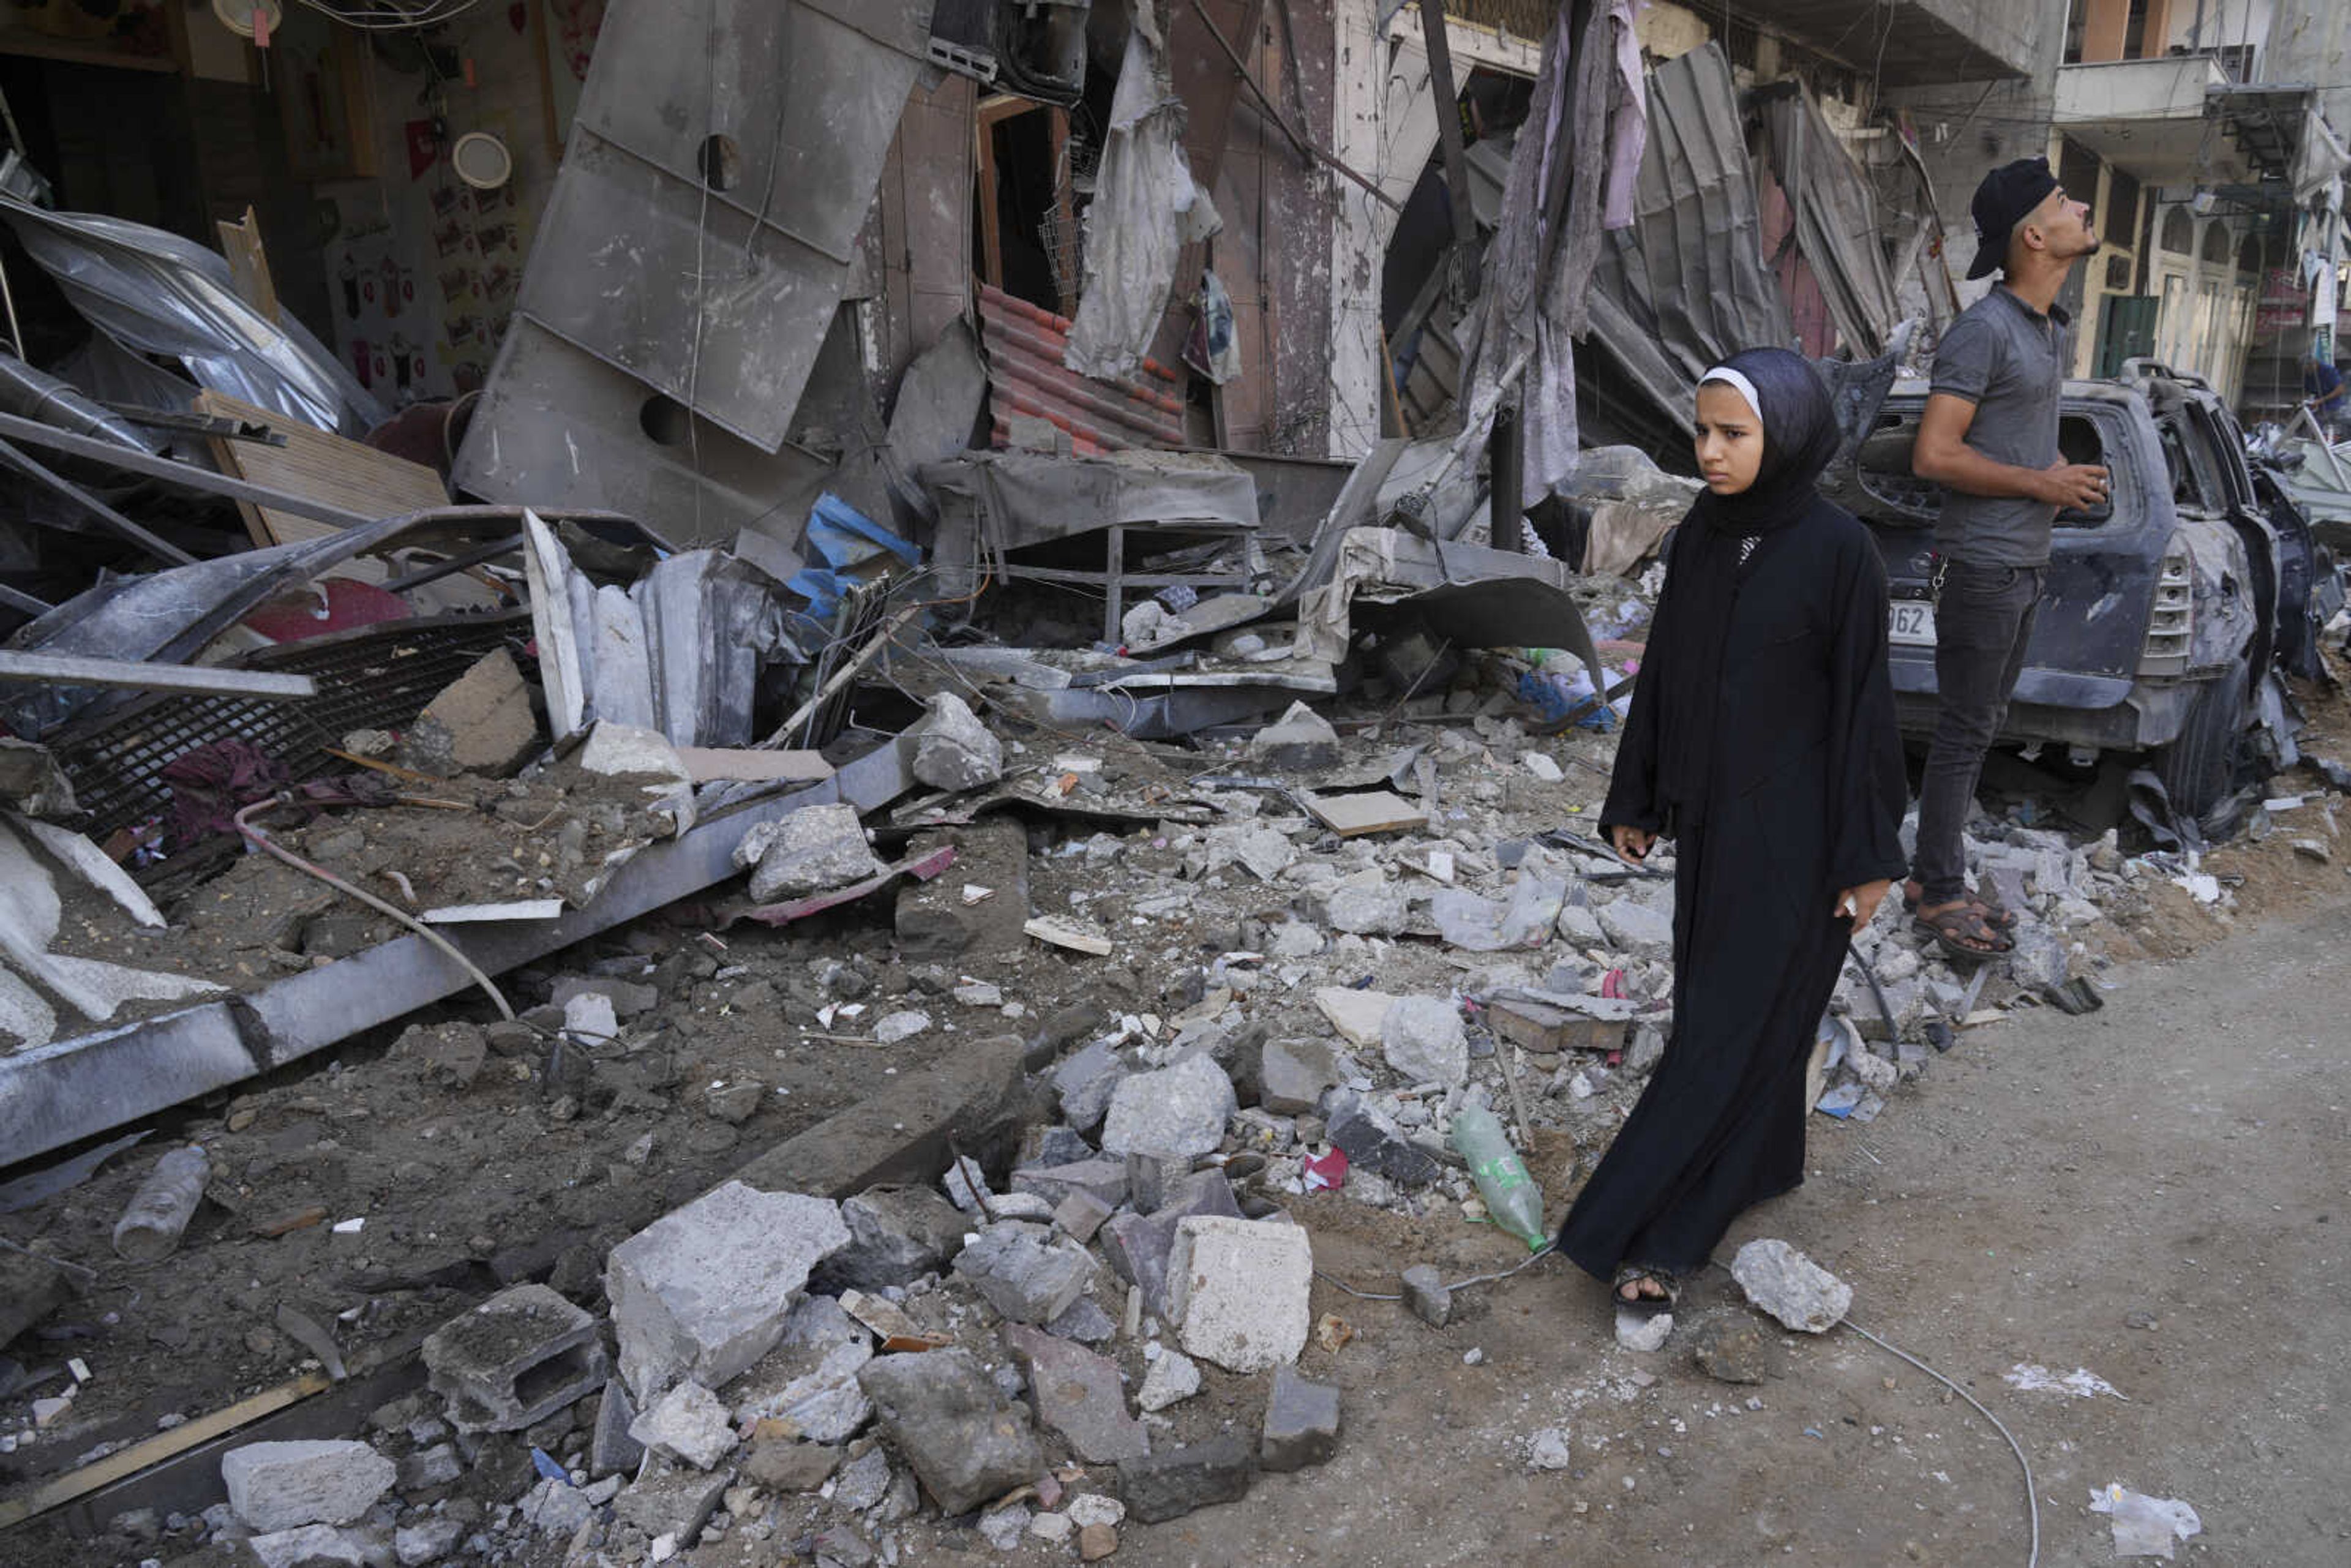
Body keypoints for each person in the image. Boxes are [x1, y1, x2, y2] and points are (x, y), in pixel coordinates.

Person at [1555, 348, 1909, 1314]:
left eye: (1732, 434)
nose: (1709, 451)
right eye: (1703, 432)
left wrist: (1870, 858)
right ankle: (1759, 1165)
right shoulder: (1706, 536)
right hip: (1715, 832)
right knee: (1732, 1019)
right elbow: (1667, 670)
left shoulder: (1841, 553)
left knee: (1729, 1038)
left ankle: (1656, 1233)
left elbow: (1867, 712)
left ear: (1784, 435)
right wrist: (1638, 796)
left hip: (1802, 842)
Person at [1906, 157, 2107, 964]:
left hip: (2023, 559)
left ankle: (1933, 876)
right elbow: (1933, 454)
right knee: (1964, 729)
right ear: (2034, 233)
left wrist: (2053, 472)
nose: (2082, 205)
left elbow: (2008, 438)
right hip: (1981, 564)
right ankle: (1939, 893)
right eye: (2066, 200)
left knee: (1982, 724)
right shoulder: (1982, 330)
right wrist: (2041, 481)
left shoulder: (2046, 328)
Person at [2304, 351, 2349, 443]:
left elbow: (2340, 390)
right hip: (2319, 405)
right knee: (2312, 425)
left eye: (2309, 369)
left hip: (2334, 404)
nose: (2307, 371)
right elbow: (2309, 390)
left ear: (2314, 364)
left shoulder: (2328, 371)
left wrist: (2321, 401)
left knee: (2327, 425)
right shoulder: (2308, 374)